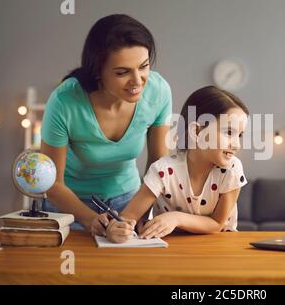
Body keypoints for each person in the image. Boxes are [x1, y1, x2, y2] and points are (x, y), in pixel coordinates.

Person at [40, 14, 172, 236]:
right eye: (122, 72)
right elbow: (53, 184)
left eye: (143, 66)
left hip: (129, 203)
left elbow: (157, 167)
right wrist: (91, 220)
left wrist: (136, 215)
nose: (137, 81)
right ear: (97, 71)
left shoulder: (159, 92)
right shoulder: (64, 101)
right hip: (67, 208)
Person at [106, 85, 249, 243]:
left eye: (240, 135)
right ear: (197, 132)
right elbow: (127, 218)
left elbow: (216, 224)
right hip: (173, 250)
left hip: (220, 248)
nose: (236, 144)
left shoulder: (232, 170)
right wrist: (117, 229)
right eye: (229, 132)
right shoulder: (162, 171)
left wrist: (175, 218)